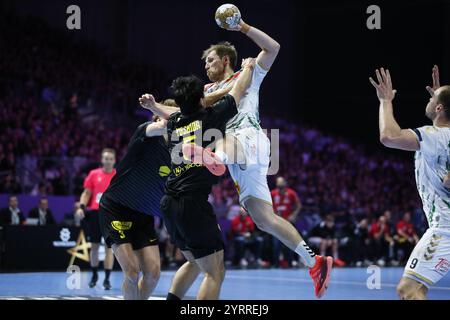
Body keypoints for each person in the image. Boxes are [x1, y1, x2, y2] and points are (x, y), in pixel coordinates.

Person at [149, 18, 333, 298]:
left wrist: (243, 27)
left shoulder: (249, 72)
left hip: (249, 138)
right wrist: (153, 106)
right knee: (263, 218)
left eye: (210, 60)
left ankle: (212, 158)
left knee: (219, 138)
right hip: (236, 157)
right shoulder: (207, 92)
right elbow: (181, 114)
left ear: (225, 60)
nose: (206, 66)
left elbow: (273, 48)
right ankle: (315, 262)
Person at [141, 58, 255, 300]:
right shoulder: (211, 117)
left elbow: (170, 112)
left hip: (169, 204)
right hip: (192, 203)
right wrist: (249, 67)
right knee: (215, 273)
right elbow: (239, 89)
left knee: (194, 262)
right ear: (201, 99)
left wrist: (153, 107)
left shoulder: (173, 123)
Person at [370, 65, 450, 299]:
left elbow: (389, 136)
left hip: (445, 229)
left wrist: (385, 101)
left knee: (408, 289)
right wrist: (440, 98)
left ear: (438, 108)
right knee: (420, 288)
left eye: (433, 97)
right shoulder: (441, 136)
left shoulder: (434, 136)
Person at [98, 114, 171, 300]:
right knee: (132, 271)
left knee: (153, 274)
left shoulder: (179, 151)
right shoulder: (145, 133)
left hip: (143, 213)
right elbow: (160, 126)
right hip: (116, 208)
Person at [76, 148, 117, 290]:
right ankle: (94, 275)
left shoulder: (118, 175)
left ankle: (107, 279)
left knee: (109, 248)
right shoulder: (93, 174)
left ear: (114, 160)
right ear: (102, 159)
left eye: (111, 159)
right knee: (94, 247)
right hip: (95, 214)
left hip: (111, 215)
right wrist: (81, 207)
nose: (108, 161)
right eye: (106, 158)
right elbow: (86, 193)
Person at [271, 177, 302, 267]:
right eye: (277, 182)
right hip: (277, 223)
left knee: (290, 243)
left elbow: (299, 205)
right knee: (276, 243)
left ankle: (290, 262)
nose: (279, 184)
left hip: (288, 222)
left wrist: (294, 215)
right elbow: (267, 206)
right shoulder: (272, 193)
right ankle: (276, 264)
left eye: (280, 182)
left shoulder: (291, 193)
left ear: (285, 183)